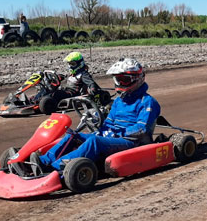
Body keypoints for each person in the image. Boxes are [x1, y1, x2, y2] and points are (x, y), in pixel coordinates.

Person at [32, 58, 160, 172]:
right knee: (73, 136)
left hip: (132, 141)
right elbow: (109, 122)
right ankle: (43, 161)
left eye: (124, 80)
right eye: (118, 79)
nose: (120, 83)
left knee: (95, 141)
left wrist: (118, 133)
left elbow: (142, 129)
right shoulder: (119, 101)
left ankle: (55, 167)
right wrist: (103, 130)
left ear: (137, 79)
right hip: (115, 137)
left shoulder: (148, 102)